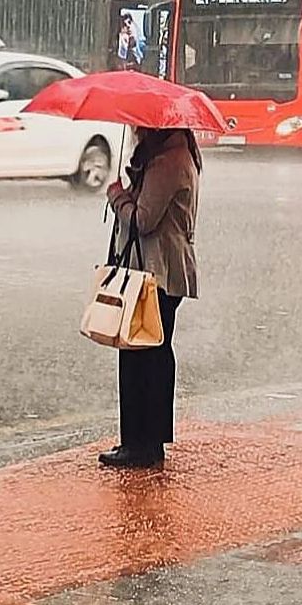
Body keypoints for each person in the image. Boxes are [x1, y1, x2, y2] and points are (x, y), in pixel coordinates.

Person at [100, 127, 201, 469]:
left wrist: (117, 196)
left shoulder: (168, 163)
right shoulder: (168, 158)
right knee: (151, 354)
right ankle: (147, 441)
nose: (135, 131)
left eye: (140, 126)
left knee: (140, 357)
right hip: (158, 272)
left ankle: (140, 444)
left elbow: (143, 221)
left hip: (157, 272)